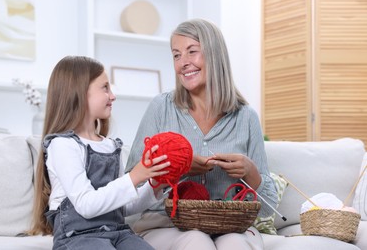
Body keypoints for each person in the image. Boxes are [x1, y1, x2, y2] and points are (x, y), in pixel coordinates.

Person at [125, 18, 278, 250]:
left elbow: (268, 208)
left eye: (191, 52)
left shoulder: (246, 117)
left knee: (235, 245)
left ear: (214, 55)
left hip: (230, 225)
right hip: (167, 223)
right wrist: (177, 171)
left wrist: (251, 173)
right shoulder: (161, 108)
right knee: (197, 242)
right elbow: (130, 188)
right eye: (176, 55)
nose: (183, 63)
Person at [28, 56, 171, 250]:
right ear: (79, 92)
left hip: (118, 232)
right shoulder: (62, 145)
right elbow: (86, 205)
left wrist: (154, 185)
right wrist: (134, 177)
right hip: (77, 237)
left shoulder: (110, 146)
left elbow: (122, 207)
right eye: (105, 88)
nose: (113, 96)